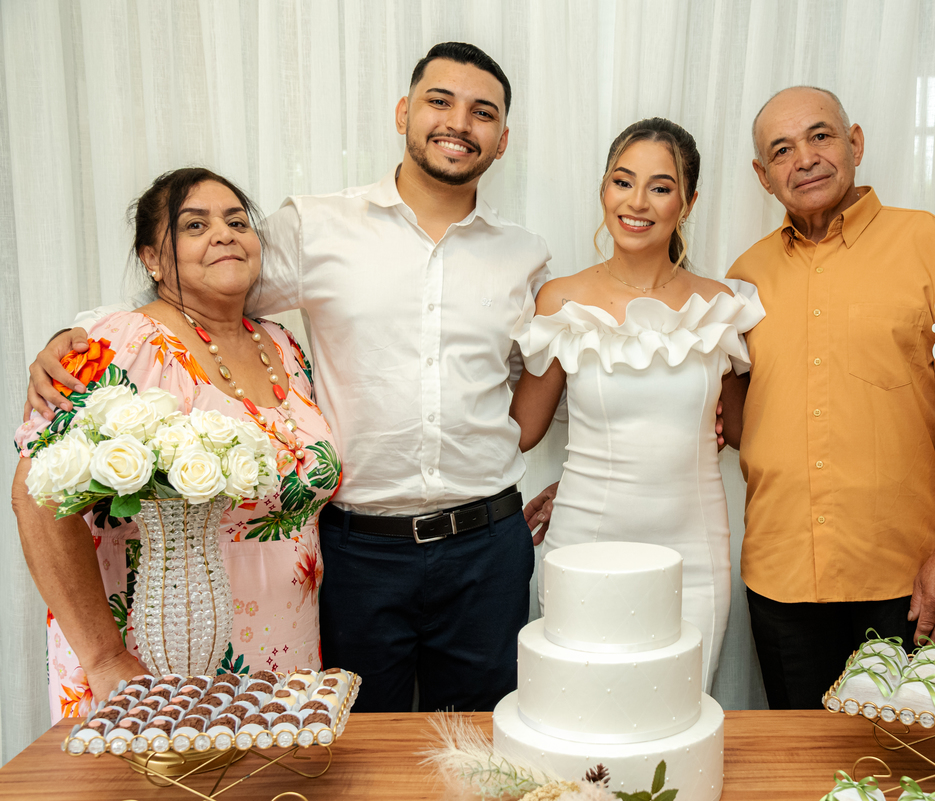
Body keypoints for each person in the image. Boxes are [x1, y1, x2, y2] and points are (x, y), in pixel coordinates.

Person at [25, 43, 550, 714]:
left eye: (483, 112)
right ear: (403, 112)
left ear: (502, 140)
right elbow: (204, 283)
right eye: (439, 101)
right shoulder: (315, 225)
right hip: (360, 551)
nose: (458, 122)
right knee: (355, 744)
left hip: (487, 545)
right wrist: (79, 339)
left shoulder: (526, 256)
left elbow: (525, 385)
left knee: (482, 737)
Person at [718, 86, 935, 709]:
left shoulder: (932, 245)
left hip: (911, 577)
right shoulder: (745, 278)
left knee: (914, 756)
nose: (804, 159)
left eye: (820, 136)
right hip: (782, 576)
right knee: (801, 755)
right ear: (763, 176)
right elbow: (739, 418)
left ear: (855, 143)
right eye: (781, 150)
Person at [12, 168, 338, 719]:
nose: (224, 234)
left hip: (286, 654)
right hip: (152, 661)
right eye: (195, 225)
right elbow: (36, 498)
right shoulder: (122, 342)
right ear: (152, 259)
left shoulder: (284, 346)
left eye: (237, 222)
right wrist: (105, 658)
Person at [510, 118, 764, 690]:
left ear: (688, 202)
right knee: (580, 704)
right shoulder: (561, 299)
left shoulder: (720, 306)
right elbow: (523, 429)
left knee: (679, 709)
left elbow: (742, 429)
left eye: (660, 187)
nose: (637, 202)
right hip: (585, 541)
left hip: (694, 553)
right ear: (603, 189)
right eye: (622, 181)